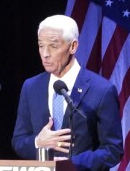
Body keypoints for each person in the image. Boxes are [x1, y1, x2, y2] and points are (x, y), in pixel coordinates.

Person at [11, 14, 123, 171]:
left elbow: (113, 150)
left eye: (53, 46)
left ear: (73, 46)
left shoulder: (102, 90)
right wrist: (38, 142)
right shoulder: (31, 87)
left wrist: (70, 165)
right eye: (41, 45)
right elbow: (18, 141)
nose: (45, 53)